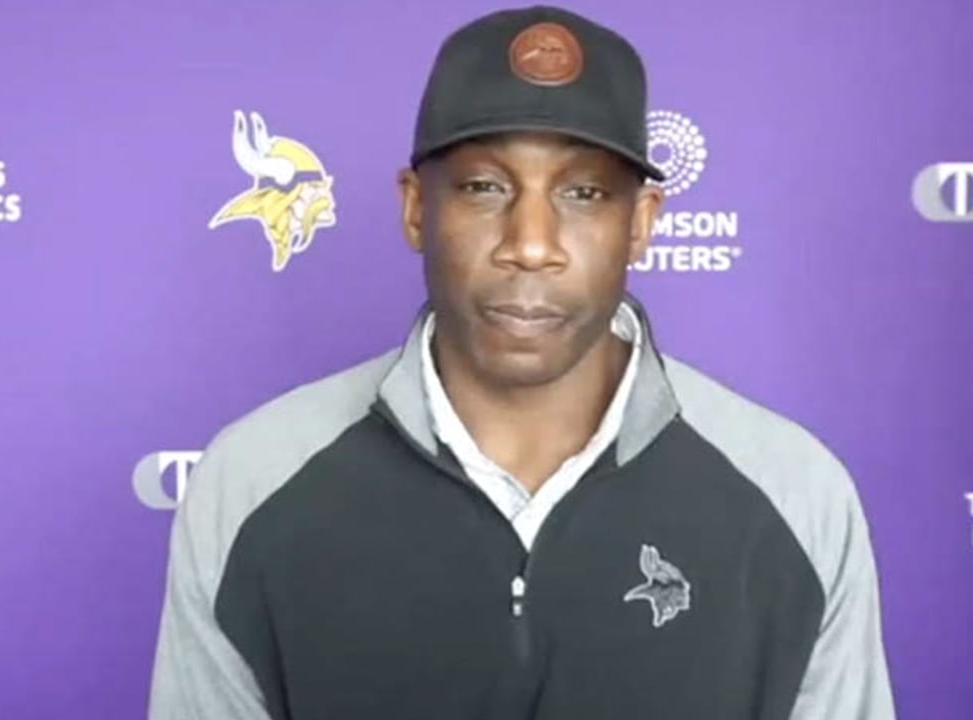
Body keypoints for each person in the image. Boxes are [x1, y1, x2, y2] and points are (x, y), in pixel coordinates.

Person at [147, 5, 896, 719]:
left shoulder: (796, 496)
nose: (531, 243)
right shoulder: (252, 481)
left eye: (583, 192)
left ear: (640, 223)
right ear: (415, 209)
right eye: (483, 187)